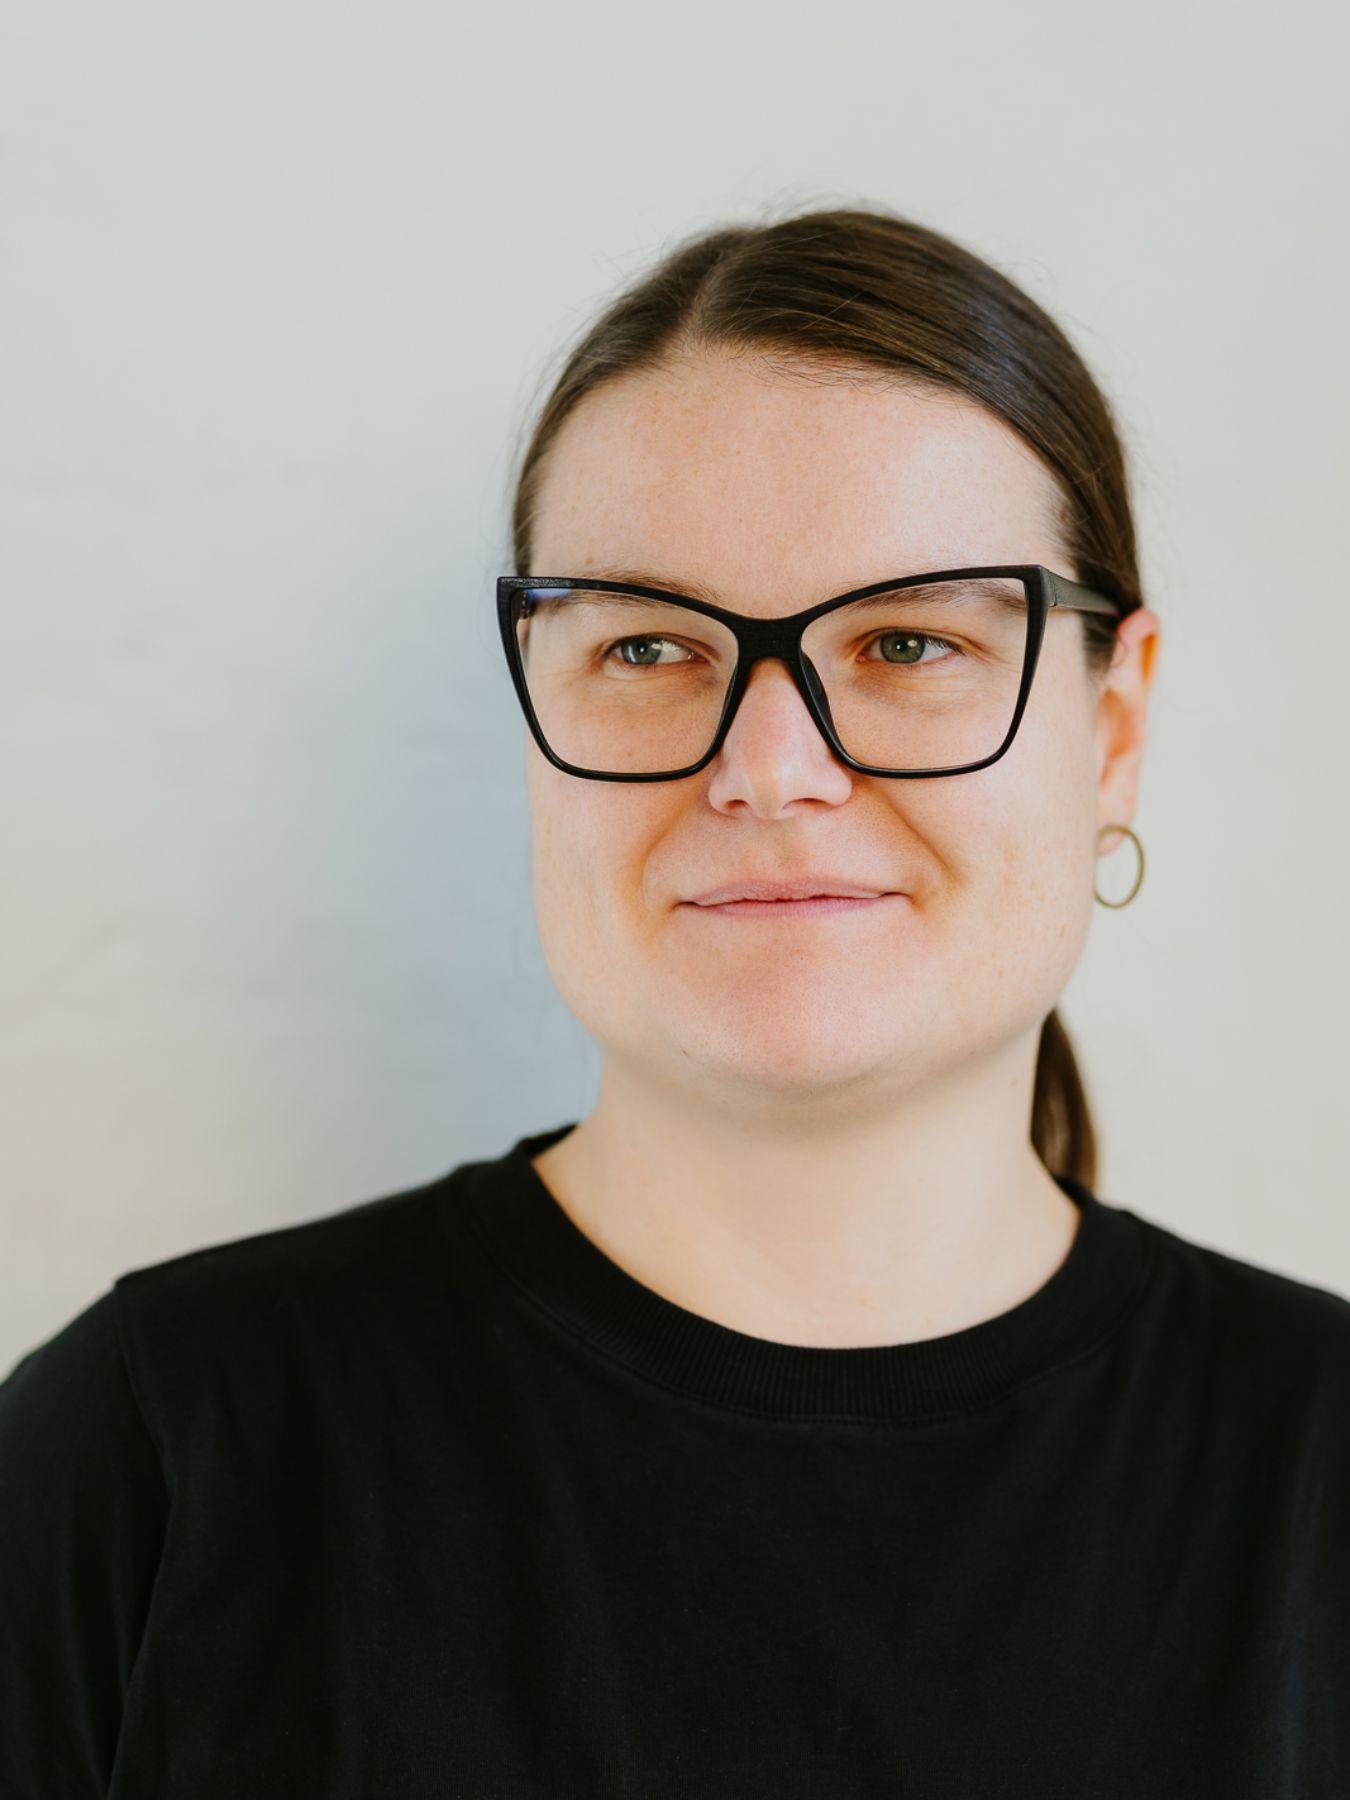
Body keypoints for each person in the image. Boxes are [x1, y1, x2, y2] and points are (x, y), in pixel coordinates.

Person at [2, 205, 1347, 1798]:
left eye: (908, 639)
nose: (768, 769)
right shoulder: (152, 1451)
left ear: (1109, 731)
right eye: (646, 645)